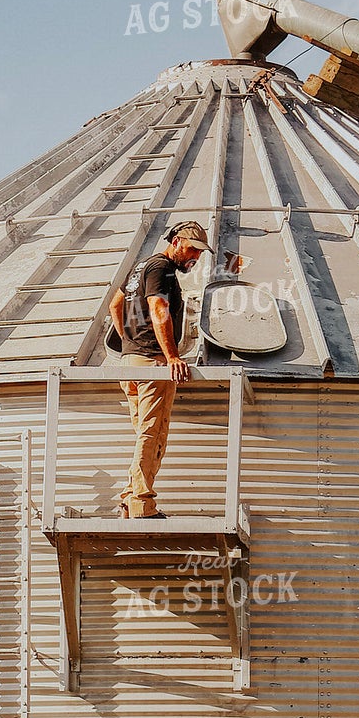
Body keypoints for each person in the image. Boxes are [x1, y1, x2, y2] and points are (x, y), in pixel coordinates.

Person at [108, 221, 208, 518]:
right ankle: (141, 502)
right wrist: (172, 356)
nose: (196, 257)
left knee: (144, 433)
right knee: (154, 434)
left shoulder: (141, 267)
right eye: (192, 249)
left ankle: (130, 497)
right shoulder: (161, 268)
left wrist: (129, 342)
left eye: (200, 253)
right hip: (153, 364)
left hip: (132, 363)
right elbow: (159, 309)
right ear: (176, 242)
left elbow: (115, 304)